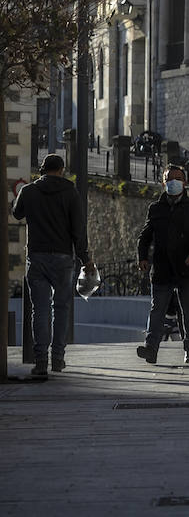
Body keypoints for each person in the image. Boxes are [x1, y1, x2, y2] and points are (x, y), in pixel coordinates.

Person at [12, 153, 94, 378]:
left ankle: (40, 362)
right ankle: (58, 358)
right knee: (61, 309)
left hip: (37, 256)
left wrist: (19, 196)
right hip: (62, 258)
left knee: (39, 310)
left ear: (42, 169)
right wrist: (84, 257)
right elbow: (78, 228)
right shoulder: (70, 192)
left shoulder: (28, 191)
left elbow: (17, 212)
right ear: (61, 169)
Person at [136, 164, 189, 365]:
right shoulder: (156, 208)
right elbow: (145, 236)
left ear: (185, 182)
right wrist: (142, 257)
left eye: (177, 178)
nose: (173, 182)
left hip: (187, 269)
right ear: (163, 183)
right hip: (162, 269)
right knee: (157, 310)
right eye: (169, 179)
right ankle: (151, 348)